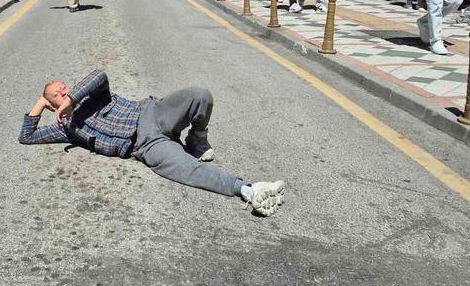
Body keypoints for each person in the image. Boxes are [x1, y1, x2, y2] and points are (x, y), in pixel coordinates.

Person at [18, 70, 286, 217]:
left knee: (200, 95)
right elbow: (27, 137)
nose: (64, 91)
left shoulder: (86, 95)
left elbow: (98, 75)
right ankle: (249, 190)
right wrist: (40, 104)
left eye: (64, 87)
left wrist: (72, 98)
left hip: (151, 112)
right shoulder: (67, 129)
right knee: (189, 170)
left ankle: (197, 139)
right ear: (52, 103)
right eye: (57, 94)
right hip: (143, 145)